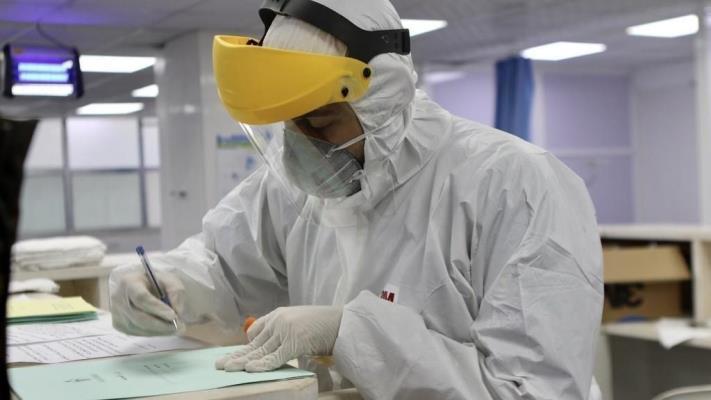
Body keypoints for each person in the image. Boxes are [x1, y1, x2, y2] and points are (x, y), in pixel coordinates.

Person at [110, 0, 604, 398]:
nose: (301, 145)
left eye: (320, 121)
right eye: (289, 123)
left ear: (379, 102)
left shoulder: (515, 184)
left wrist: (352, 334)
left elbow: (530, 389)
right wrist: (165, 282)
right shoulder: (296, 182)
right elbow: (222, 264)